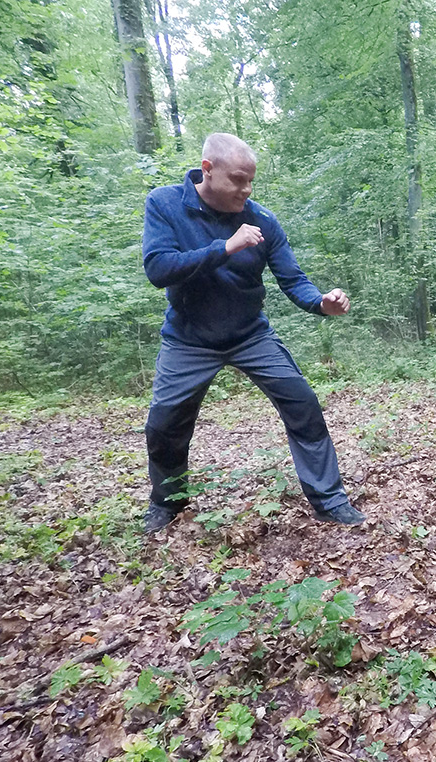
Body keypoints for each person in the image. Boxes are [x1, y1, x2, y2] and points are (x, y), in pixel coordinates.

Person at [139, 132, 365, 533]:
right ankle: (167, 503)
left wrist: (320, 302)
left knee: (303, 405)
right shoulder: (165, 203)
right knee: (163, 424)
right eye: (238, 180)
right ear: (207, 170)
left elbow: (293, 280)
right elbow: (158, 269)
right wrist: (225, 247)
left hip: (249, 335)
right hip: (188, 339)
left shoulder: (262, 220)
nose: (246, 189)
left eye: (250, 181)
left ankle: (330, 500)